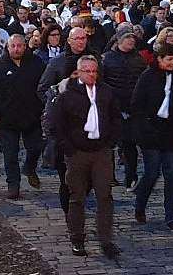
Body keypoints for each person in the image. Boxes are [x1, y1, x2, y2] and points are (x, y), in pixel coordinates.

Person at [47, 54, 123, 259]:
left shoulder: (106, 92)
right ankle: (77, 239)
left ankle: (106, 240)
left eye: (94, 71)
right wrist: (68, 149)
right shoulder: (67, 95)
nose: (91, 75)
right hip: (77, 152)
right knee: (77, 198)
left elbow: (117, 118)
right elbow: (55, 125)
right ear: (79, 72)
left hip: (101, 151)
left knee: (104, 196)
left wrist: (111, 142)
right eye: (87, 71)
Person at [0, 33, 47, 199]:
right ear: (8, 47)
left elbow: (45, 85)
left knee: (35, 148)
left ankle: (30, 167)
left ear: (25, 46)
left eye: (20, 46)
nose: (17, 49)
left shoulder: (36, 63)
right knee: (10, 154)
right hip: (7, 118)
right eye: (13, 46)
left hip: (32, 116)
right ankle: (13, 184)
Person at [131, 43, 173, 230]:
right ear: (159, 59)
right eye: (168, 59)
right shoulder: (148, 77)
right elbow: (137, 105)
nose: (172, 62)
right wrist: (143, 131)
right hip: (150, 133)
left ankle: (171, 215)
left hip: (171, 134)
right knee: (151, 173)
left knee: (172, 176)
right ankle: (140, 204)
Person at [102, 27, 148, 189]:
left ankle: (131, 176)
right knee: (108, 145)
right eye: (128, 38)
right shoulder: (107, 59)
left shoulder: (139, 60)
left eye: (133, 38)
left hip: (133, 108)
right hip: (112, 108)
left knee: (129, 144)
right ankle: (108, 176)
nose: (131, 41)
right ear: (119, 40)